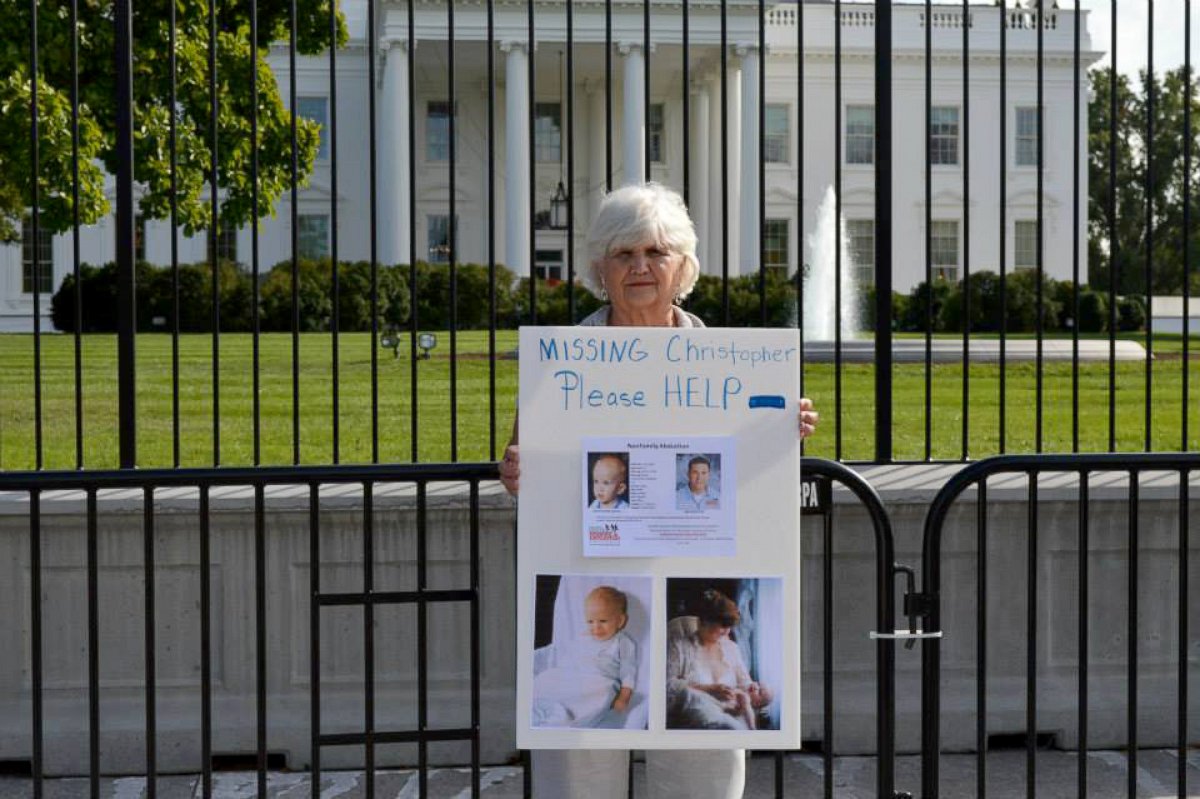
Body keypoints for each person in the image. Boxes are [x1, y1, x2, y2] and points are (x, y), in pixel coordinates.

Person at [498, 182, 819, 799]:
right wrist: (515, 473)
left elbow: (749, 479)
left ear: (684, 267)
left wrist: (782, 433)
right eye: (623, 254)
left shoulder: (733, 366)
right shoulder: (563, 363)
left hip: (692, 581)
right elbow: (524, 466)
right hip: (591, 586)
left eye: (655, 251)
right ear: (600, 269)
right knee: (579, 770)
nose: (640, 267)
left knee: (700, 774)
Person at [665, 589, 773, 731]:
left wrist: (753, 691)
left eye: (729, 626)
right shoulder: (679, 646)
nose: (727, 631)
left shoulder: (731, 648)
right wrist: (709, 689)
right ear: (704, 621)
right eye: (722, 625)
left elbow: (744, 683)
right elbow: (668, 685)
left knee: (737, 719)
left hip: (731, 710)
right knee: (695, 698)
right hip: (696, 711)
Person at [532, 585, 638, 727]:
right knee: (550, 679)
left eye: (603, 621)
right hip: (577, 676)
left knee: (596, 697)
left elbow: (628, 674)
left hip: (600, 681)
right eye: (590, 622)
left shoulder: (623, 642)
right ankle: (543, 704)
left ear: (620, 621)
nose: (596, 627)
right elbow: (570, 657)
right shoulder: (584, 637)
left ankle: (566, 717)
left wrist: (623, 697)